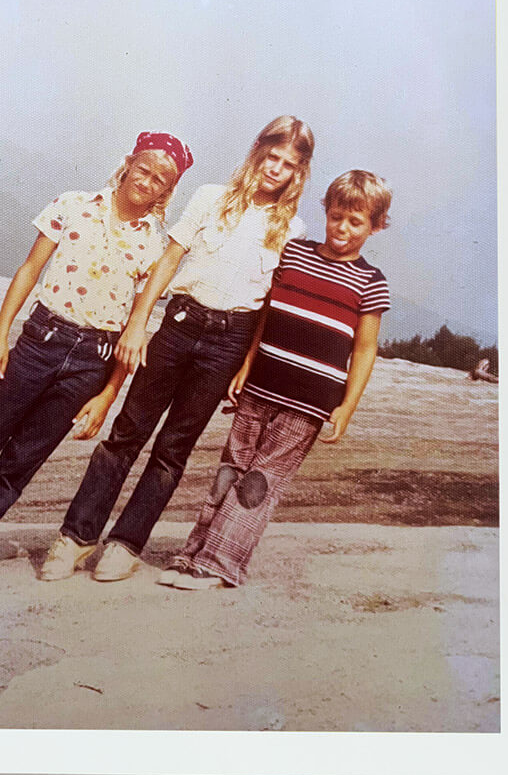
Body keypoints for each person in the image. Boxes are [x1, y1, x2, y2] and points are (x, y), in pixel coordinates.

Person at [0, 132, 193, 591]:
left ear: (168, 190)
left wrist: (107, 394)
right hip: (37, 344)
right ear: (128, 163)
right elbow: (29, 269)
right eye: (143, 169)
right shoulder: (73, 205)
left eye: (159, 180)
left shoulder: (155, 245)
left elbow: (135, 325)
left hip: (91, 364)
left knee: (17, 467)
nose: (146, 182)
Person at [41, 115, 315, 583]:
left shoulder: (292, 228)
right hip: (179, 326)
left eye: (288, 164)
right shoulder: (211, 198)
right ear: (257, 153)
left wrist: (247, 362)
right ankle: (76, 536)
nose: (276, 169)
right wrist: (137, 325)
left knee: (173, 448)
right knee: (127, 432)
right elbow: (168, 261)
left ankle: (126, 544)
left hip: (230, 341)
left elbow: (269, 305)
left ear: (298, 172)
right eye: (271, 157)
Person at [161, 169, 391, 590]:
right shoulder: (294, 253)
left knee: (259, 480)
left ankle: (219, 564)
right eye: (336, 217)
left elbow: (364, 348)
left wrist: (347, 407)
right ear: (326, 211)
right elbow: (265, 313)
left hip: (310, 401)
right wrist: (247, 364)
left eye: (355, 222)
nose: (342, 228)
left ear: (375, 226)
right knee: (231, 470)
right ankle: (194, 553)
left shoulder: (371, 282)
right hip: (260, 385)